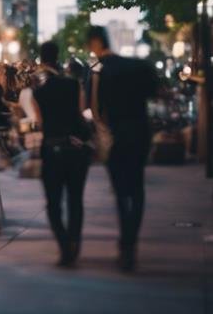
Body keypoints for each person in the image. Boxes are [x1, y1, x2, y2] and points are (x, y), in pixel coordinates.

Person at [88, 25, 158, 272]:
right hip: (140, 132)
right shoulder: (137, 67)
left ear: (95, 43)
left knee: (120, 192)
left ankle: (126, 244)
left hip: (118, 136)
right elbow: (154, 93)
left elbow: (98, 112)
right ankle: (130, 243)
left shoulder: (103, 72)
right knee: (137, 189)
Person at [30, 41, 93, 267]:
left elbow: (40, 123)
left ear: (41, 57)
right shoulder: (74, 84)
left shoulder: (39, 92)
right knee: (75, 199)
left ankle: (64, 245)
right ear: (59, 56)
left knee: (53, 202)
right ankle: (74, 242)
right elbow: (82, 113)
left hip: (52, 148)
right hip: (75, 149)